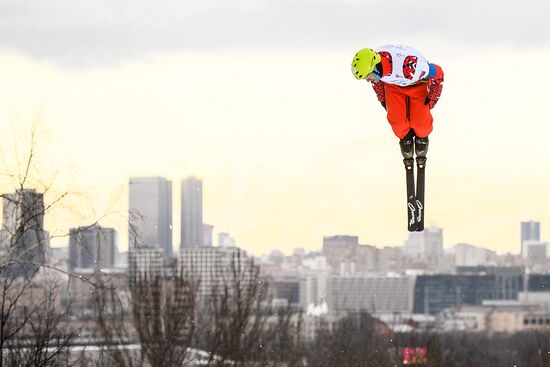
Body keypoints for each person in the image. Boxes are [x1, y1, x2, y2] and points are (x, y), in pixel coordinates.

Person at [351, 45, 444, 231]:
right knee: (398, 124)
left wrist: (432, 99)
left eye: (369, 75)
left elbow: (438, 73)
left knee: (420, 123)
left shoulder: (411, 66)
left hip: (416, 85)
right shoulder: (376, 69)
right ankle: (407, 142)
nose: (368, 80)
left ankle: (421, 138)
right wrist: (385, 102)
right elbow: (378, 85)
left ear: (375, 67)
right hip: (393, 88)